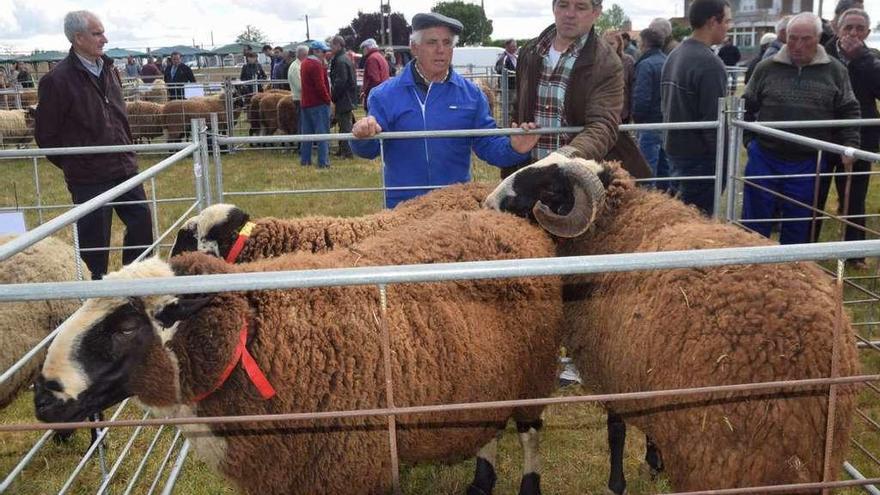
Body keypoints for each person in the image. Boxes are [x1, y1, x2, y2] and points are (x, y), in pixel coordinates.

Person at [350, 12, 539, 208]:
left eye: (447, 43)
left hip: (455, 207)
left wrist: (515, 148)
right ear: (415, 47)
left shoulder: (472, 95)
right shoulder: (384, 95)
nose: (441, 50)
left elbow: (488, 144)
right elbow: (370, 149)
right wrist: (363, 135)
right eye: (432, 42)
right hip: (402, 208)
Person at [34, 10, 153, 279]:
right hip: (89, 176)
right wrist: (76, 163)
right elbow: (46, 134)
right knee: (94, 244)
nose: (104, 39)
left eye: (102, 32)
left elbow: (117, 115)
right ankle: (93, 300)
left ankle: (133, 285)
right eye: (97, 33)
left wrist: (126, 146)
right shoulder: (57, 80)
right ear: (78, 38)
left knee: (142, 225)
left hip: (124, 166)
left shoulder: (110, 69)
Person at [741, 12, 860, 245]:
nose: (797, 45)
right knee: (754, 220)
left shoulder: (835, 71)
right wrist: (750, 141)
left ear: (818, 38)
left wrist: (850, 145)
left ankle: (792, 271)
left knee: (800, 222)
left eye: (805, 39)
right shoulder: (766, 68)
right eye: (792, 38)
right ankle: (750, 269)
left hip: (808, 158)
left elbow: (849, 109)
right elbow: (745, 106)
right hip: (765, 154)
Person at [505, 0, 648, 179]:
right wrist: (514, 145)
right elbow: (519, 106)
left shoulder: (606, 62)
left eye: (580, 7)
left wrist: (565, 158)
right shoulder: (530, 51)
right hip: (529, 174)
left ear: (596, 12)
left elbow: (603, 125)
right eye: (563, 5)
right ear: (553, 7)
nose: (570, 14)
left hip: (577, 179)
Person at [814, 8, 880, 264]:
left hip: (861, 137)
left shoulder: (872, 59)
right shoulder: (822, 53)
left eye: (859, 28)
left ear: (868, 32)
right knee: (815, 194)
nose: (853, 33)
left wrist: (862, 59)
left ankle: (854, 255)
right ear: (836, 28)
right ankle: (806, 248)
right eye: (848, 27)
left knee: (854, 198)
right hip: (824, 134)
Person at [661, 0, 732, 215]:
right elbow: (713, 121)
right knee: (697, 225)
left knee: (680, 218)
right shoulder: (709, 63)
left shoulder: (675, 55)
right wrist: (722, 161)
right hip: (699, 159)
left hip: (676, 151)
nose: (729, 27)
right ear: (712, 21)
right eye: (727, 21)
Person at [632, 27, 670, 191]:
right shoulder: (667, 61)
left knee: (647, 170)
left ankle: (649, 203)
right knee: (664, 168)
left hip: (650, 123)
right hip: (666, 122)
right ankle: (666, 202)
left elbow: (642, 97)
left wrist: (638, 120)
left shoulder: (646, 65)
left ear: (644, 43)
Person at [299, 40, 332, 168]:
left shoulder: (304, 63)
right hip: (318, 104)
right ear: (316, 51)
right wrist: (328, 100)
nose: (325, 54)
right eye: (323, 52)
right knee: (322, 134)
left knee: (306, 134)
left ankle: (305, 160)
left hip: (306, 103)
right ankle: (323, 162)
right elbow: (320, 86)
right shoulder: (316, 65)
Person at [329, 36, 357, 159]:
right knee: (343, 124)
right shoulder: (343, 58)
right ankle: (343, 150)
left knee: (345, 126)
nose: (330, 48)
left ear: (338, 45)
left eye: (332, 46)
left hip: (344, 98)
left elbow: (341, 81)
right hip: (346, 97)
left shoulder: (340, 61)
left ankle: (347, 152)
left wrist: (333, 96)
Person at [603, 31, 635, 123]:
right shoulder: (598, 61)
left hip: (623, 112)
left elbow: (632, 87)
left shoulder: (628, 61)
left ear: (619, 44)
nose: (608, 47)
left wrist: (632, 112)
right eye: (605, 44)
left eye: (611, 44)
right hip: (604, 112)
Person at [360, 38, 390, 113]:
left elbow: (375, 80)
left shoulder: (371, 59)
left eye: (363, 48)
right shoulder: (380, 57)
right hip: (384, 95)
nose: (363, 51)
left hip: (375, 97)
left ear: (367, 48)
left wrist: (365, 92)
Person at [495, 38, 518, 123]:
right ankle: (506, 126)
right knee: (507, 108)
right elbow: (499, 69)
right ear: (507, 46)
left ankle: (512, 124)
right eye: (513, 46)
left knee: (514, 108)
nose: (515, 48)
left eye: (515, 46)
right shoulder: (503, 58)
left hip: (515, 87)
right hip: (508, 88)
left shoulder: (515, 57)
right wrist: (511, 73)